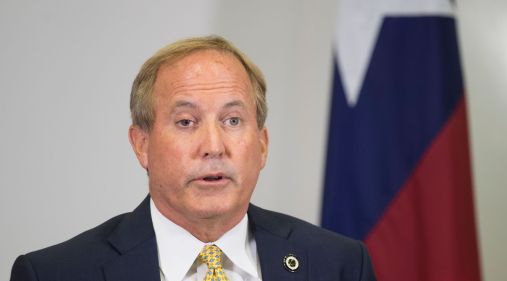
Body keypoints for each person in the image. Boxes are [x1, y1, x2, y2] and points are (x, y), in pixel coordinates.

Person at [10, 36, 376, 281]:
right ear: (142, 145)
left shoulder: (339, 265)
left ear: (262, 145)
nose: (213, 146)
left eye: (232, 120)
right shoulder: (55, 273)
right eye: (186, 122)